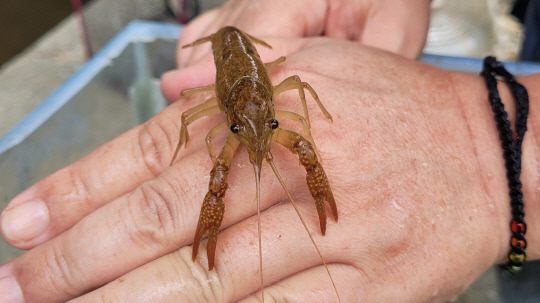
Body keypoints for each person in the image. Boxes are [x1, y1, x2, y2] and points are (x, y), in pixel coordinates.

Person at [1, 0, 538, 302]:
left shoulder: (278, 107)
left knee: (293, 146)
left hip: (256, 86)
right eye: (234, 127)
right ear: (225, 117)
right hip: (232, 63)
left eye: (271, 122)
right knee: (217, 172)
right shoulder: (221, 123)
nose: (250, 137)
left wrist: (480, 144)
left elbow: (298, 108)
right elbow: (194, 112)